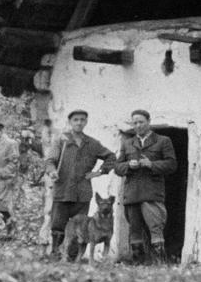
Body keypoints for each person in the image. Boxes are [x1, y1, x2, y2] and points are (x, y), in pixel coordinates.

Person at [44, 109, 115, 261]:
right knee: (58, 225)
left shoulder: (93, 144)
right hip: (62, 190)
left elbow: (111, 157)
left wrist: (98, 172)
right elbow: (50, 161)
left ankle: (73, 258)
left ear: (86, 122)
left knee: (81, 227)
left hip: (82, 192)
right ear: (70, 122)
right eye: (75, 120)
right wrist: (52, 172)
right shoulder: (61, 140)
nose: (79, 122)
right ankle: (56, 255)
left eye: (82, 119)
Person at [115, 109, 177, 263]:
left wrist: (151, 164)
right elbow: (117, 167)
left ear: (149, 122)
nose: (138, 125)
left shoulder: (163, 141)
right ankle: (138, 265)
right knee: (134, 230)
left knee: (156, 227)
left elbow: (172, 164)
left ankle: (159, 264)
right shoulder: (127, 143)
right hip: (132, 193)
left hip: (152, 192)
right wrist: (129, 165)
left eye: (141, 122)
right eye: (135, 123)